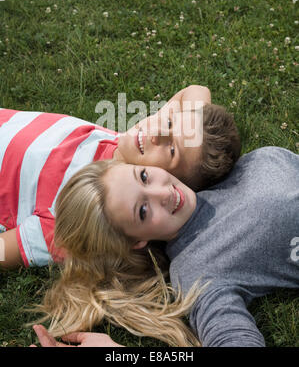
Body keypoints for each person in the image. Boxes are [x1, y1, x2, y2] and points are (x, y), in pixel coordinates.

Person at [31, 146, 299, 347]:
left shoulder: (225, 166)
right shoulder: (198, 269)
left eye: (144, 176)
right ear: (137, 241)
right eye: (143, 210)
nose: (165, 193)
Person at [0, 85, 241, 269]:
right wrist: (196, 126)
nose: (156, 132)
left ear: (169, 177)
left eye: (171, 150)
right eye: (168, 121)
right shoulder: (128, 147)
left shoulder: (83, 214)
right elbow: (196, 90)